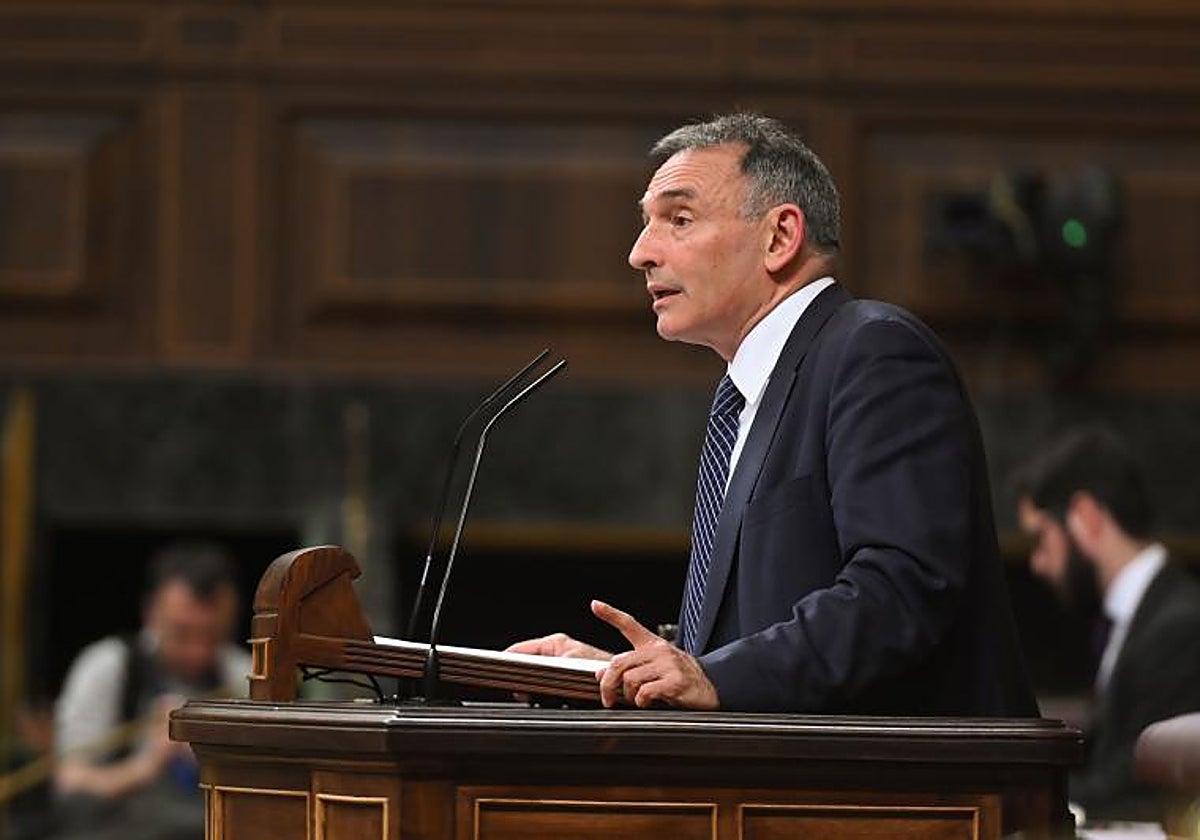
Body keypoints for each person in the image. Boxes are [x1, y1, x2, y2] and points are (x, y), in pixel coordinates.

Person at [509, 113, 1037, 717]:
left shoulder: (874, 351)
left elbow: (900, 591)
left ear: (780, 237)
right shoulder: (750, 395)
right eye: (646, 223)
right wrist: (623, 674)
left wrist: (715, 677)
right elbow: (753, 641)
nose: (639, 254)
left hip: (907, 774)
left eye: (679, 219)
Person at [1015, 425, 1200, 822]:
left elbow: (1143, 786)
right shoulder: (1135, 618)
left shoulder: (1179, 627)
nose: (1037, 563)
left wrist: (1019, 800)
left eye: (1041, 538)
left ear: (1086, 518)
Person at [53, 543, 250, 840]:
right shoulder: (109, 667)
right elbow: (69, 781)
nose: (198, 651)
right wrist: (144, 766)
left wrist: (213, 757)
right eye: (182, 633)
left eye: (214, 635)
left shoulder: (244, 676)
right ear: (150, 615)